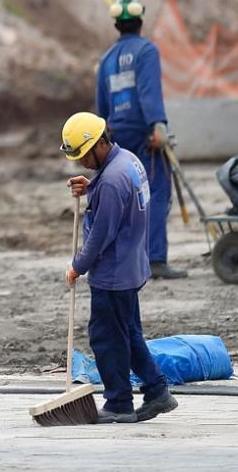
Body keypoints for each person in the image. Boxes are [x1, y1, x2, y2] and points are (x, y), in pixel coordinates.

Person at [61, 112, 179, 424]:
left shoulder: (111, 180)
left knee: (107, 338)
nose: (81, 162)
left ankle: (118, 403)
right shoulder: (127, 161)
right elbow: (118, 198)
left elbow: (101, 234)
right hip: (130, 267)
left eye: (84, 155)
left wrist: (77, 266)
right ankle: (157, 391)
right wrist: (91, 187)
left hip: (112, 274)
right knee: (128, 333)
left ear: (99, 143)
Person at [95, 0, 187, 279]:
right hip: (146, 136)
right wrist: (158, 125)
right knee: (156, 192)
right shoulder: (147, 52)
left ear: (116, 25)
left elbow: (103, 105)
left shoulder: (106, 59)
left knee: (125, 197)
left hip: (117, 135)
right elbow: (149, 91)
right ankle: (156, 259)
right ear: (140, 21)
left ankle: (127, 259)